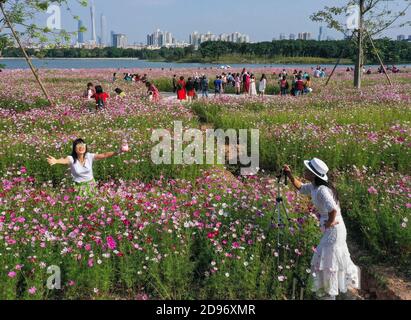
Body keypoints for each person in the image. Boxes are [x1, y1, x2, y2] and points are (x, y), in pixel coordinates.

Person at [283, 159, 360, 300]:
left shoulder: (322, 190)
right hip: (335, 229)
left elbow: (333, 209)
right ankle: (345, 293)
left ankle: (329, 295)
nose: (304, 171)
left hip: (334, 230)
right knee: (332, 260)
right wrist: (289, 175)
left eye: (307, 170)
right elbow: (300, 187)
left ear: (313, 174)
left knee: (327, 262)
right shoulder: (314, 186)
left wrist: (329, 223)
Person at [47, 138, 129, 197]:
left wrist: (118, 151)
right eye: (78, 145)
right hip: (78, 187)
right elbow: (64, 160)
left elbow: (104, 155)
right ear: (74, 148)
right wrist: (56, 161)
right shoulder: (71, 158)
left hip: (91, 185)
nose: (81, 147)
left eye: (83, 145)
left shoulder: (89, 156)